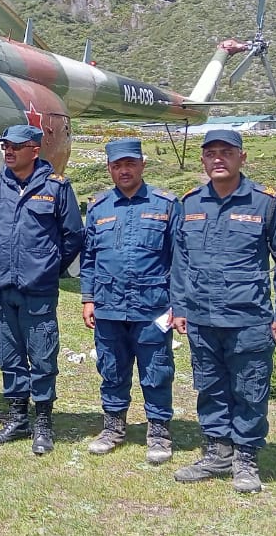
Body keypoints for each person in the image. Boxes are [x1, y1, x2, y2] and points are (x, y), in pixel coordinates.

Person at [171, 129, 276, 493]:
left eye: (226, 152)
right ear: (202, 159)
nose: (217, 159)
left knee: (249, 388)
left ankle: (245, 458)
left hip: (248, 316)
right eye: (210, 152)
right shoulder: (191, 202)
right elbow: (181, 261)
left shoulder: (266, 203)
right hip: (201, 317)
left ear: (242, 158)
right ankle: (217, 452)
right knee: (209, 386)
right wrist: (179, 306)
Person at [0, 124, 83, 456]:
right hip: (1, 288)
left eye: (17, 146)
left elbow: (74, 235)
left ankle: (43, 422)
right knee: (8, 355)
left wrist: (50, 266)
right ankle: (18, 418)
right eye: (6, 146)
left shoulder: (57, 187)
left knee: (42, 355)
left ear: (35, 150)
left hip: (38, 290)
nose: (9, 151)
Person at [79, 138, 178, 464]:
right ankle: (112, 428)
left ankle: (159, 432)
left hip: (153, 305)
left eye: (130, 164)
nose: (124, 170)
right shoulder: (98, 207)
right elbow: (89, 258)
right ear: (109, 168)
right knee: (111, 368)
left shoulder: (166, 204)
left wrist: (179, 303)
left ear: (142, 165)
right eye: (117, 165)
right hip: (108, 305)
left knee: (156, 370)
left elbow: (180, 259)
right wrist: (88, 299)